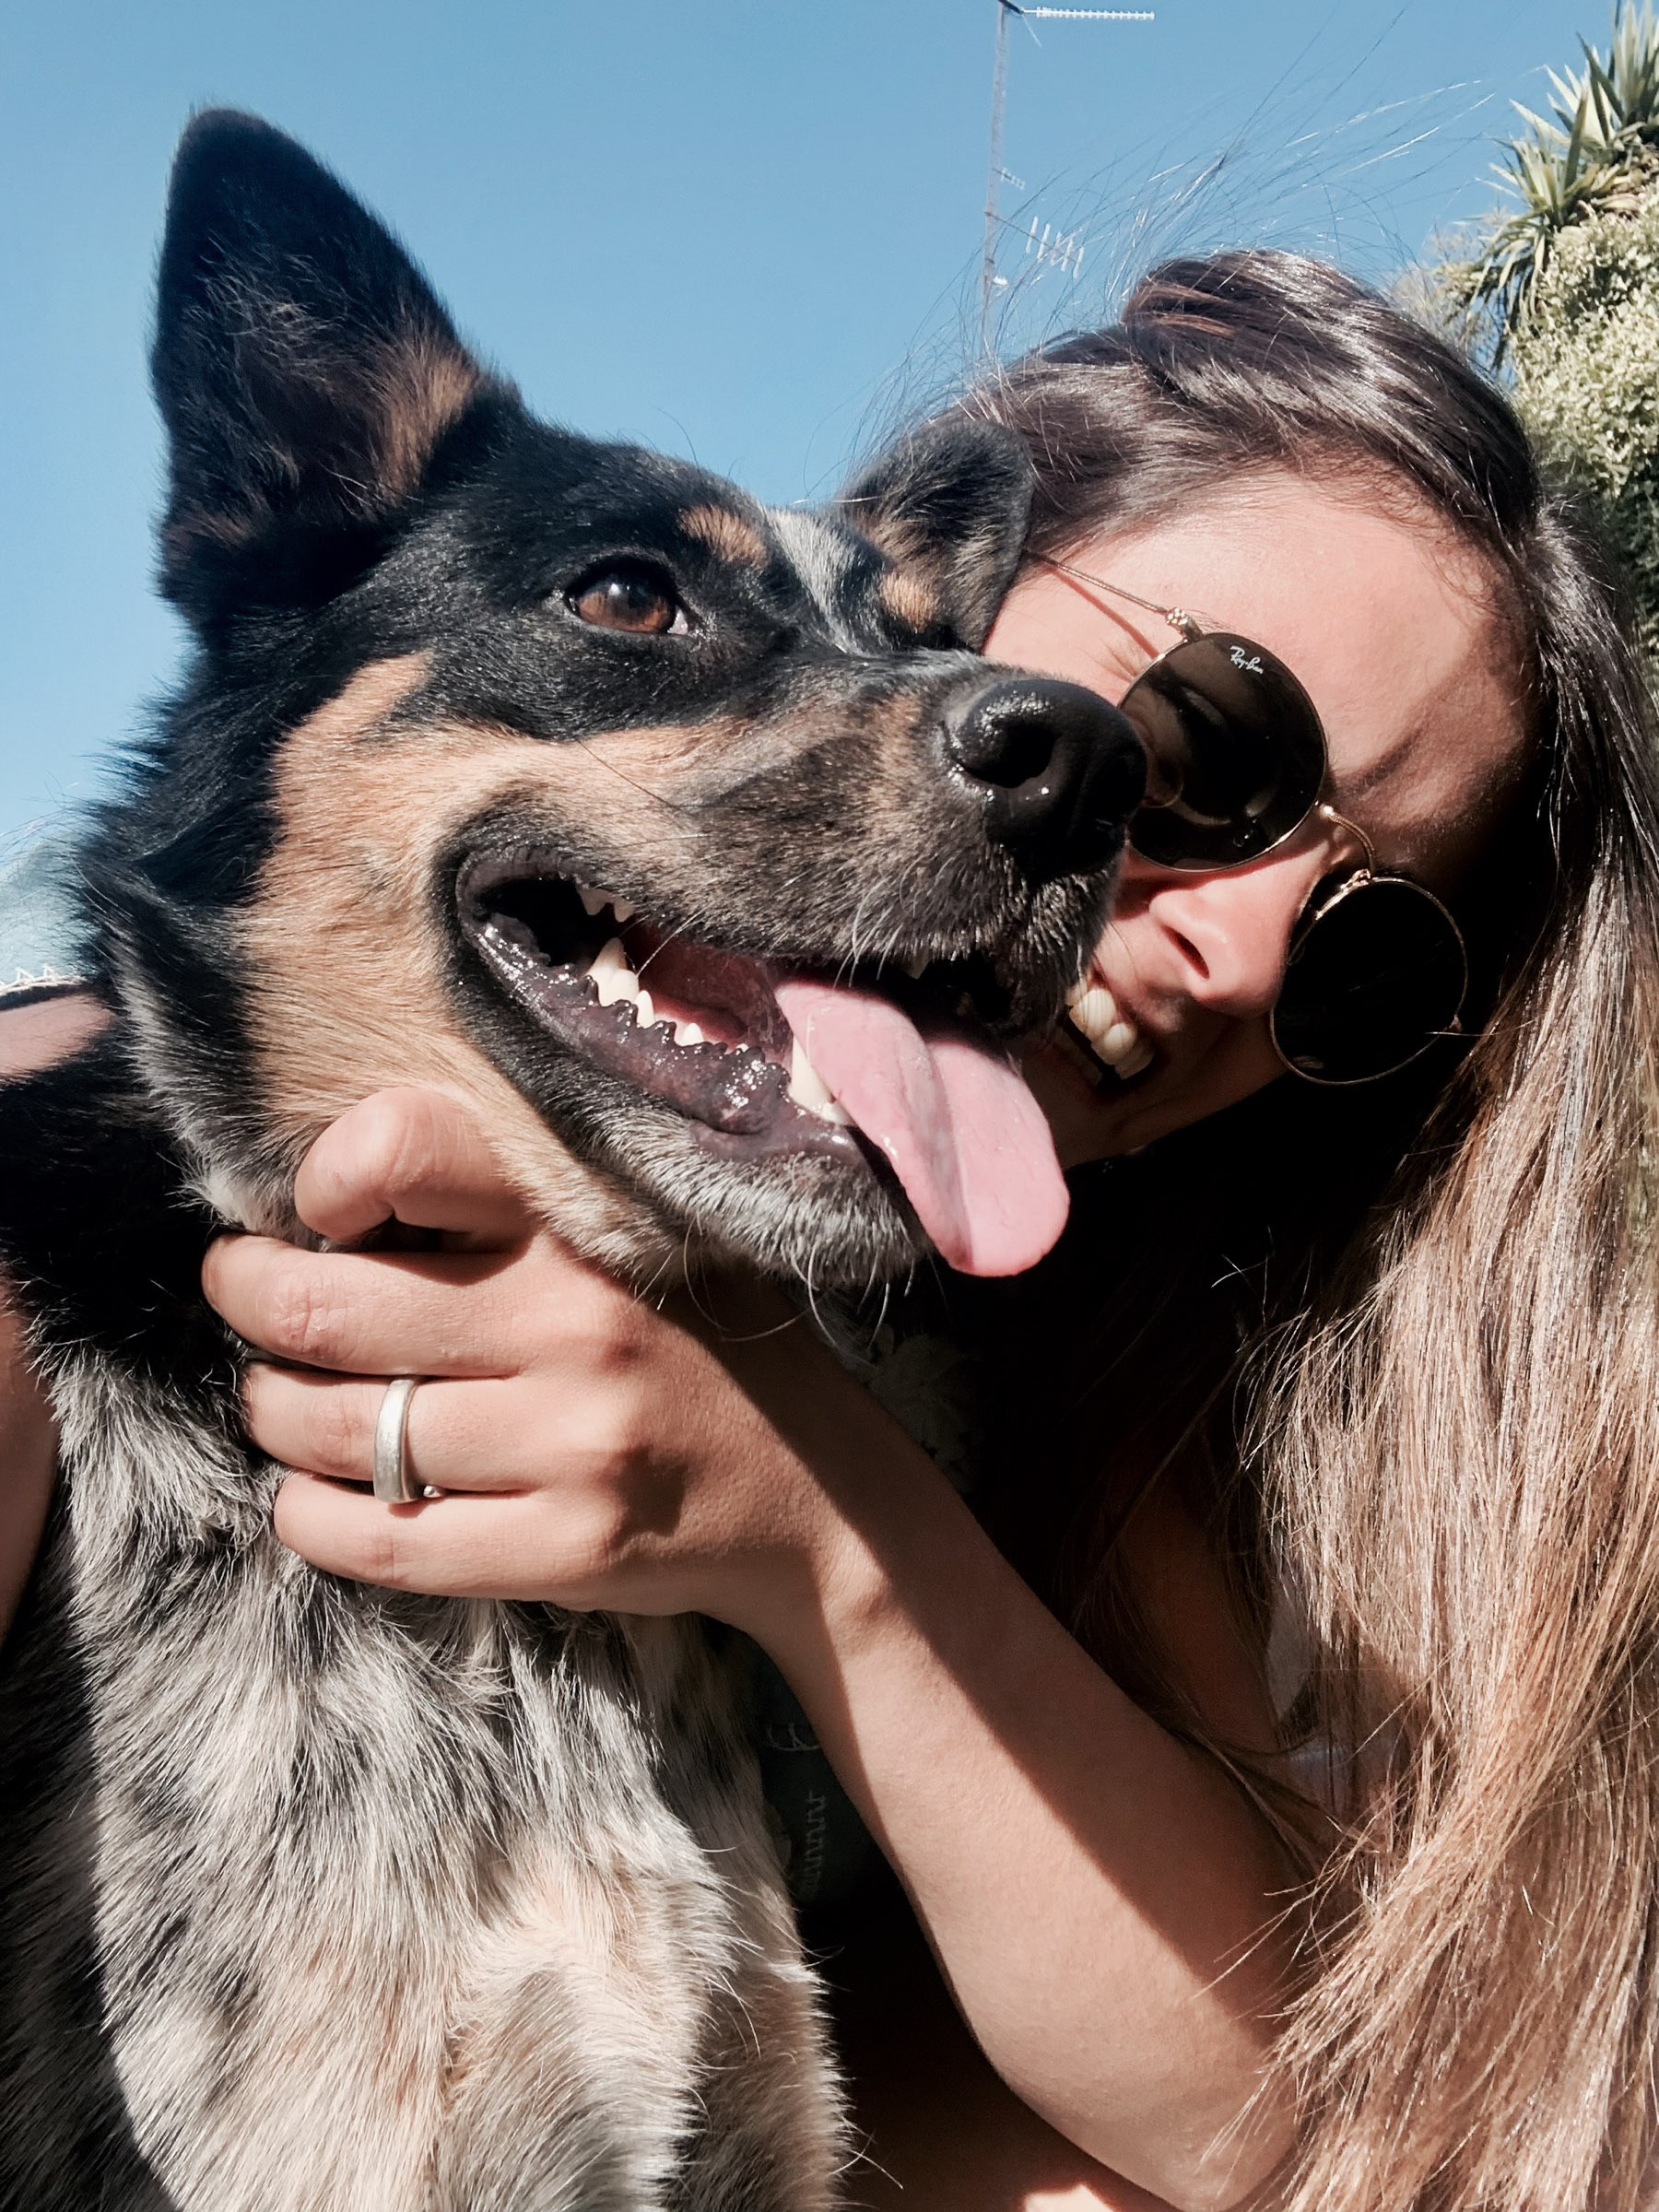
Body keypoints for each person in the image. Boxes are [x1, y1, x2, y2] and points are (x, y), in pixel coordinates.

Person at [4, 249, 1656, 2212]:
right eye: (1213, 741)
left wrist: (815, 1519)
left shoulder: (1159, 1390)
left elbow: (1253, 2125)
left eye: (1372, 955)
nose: (1238, 951)